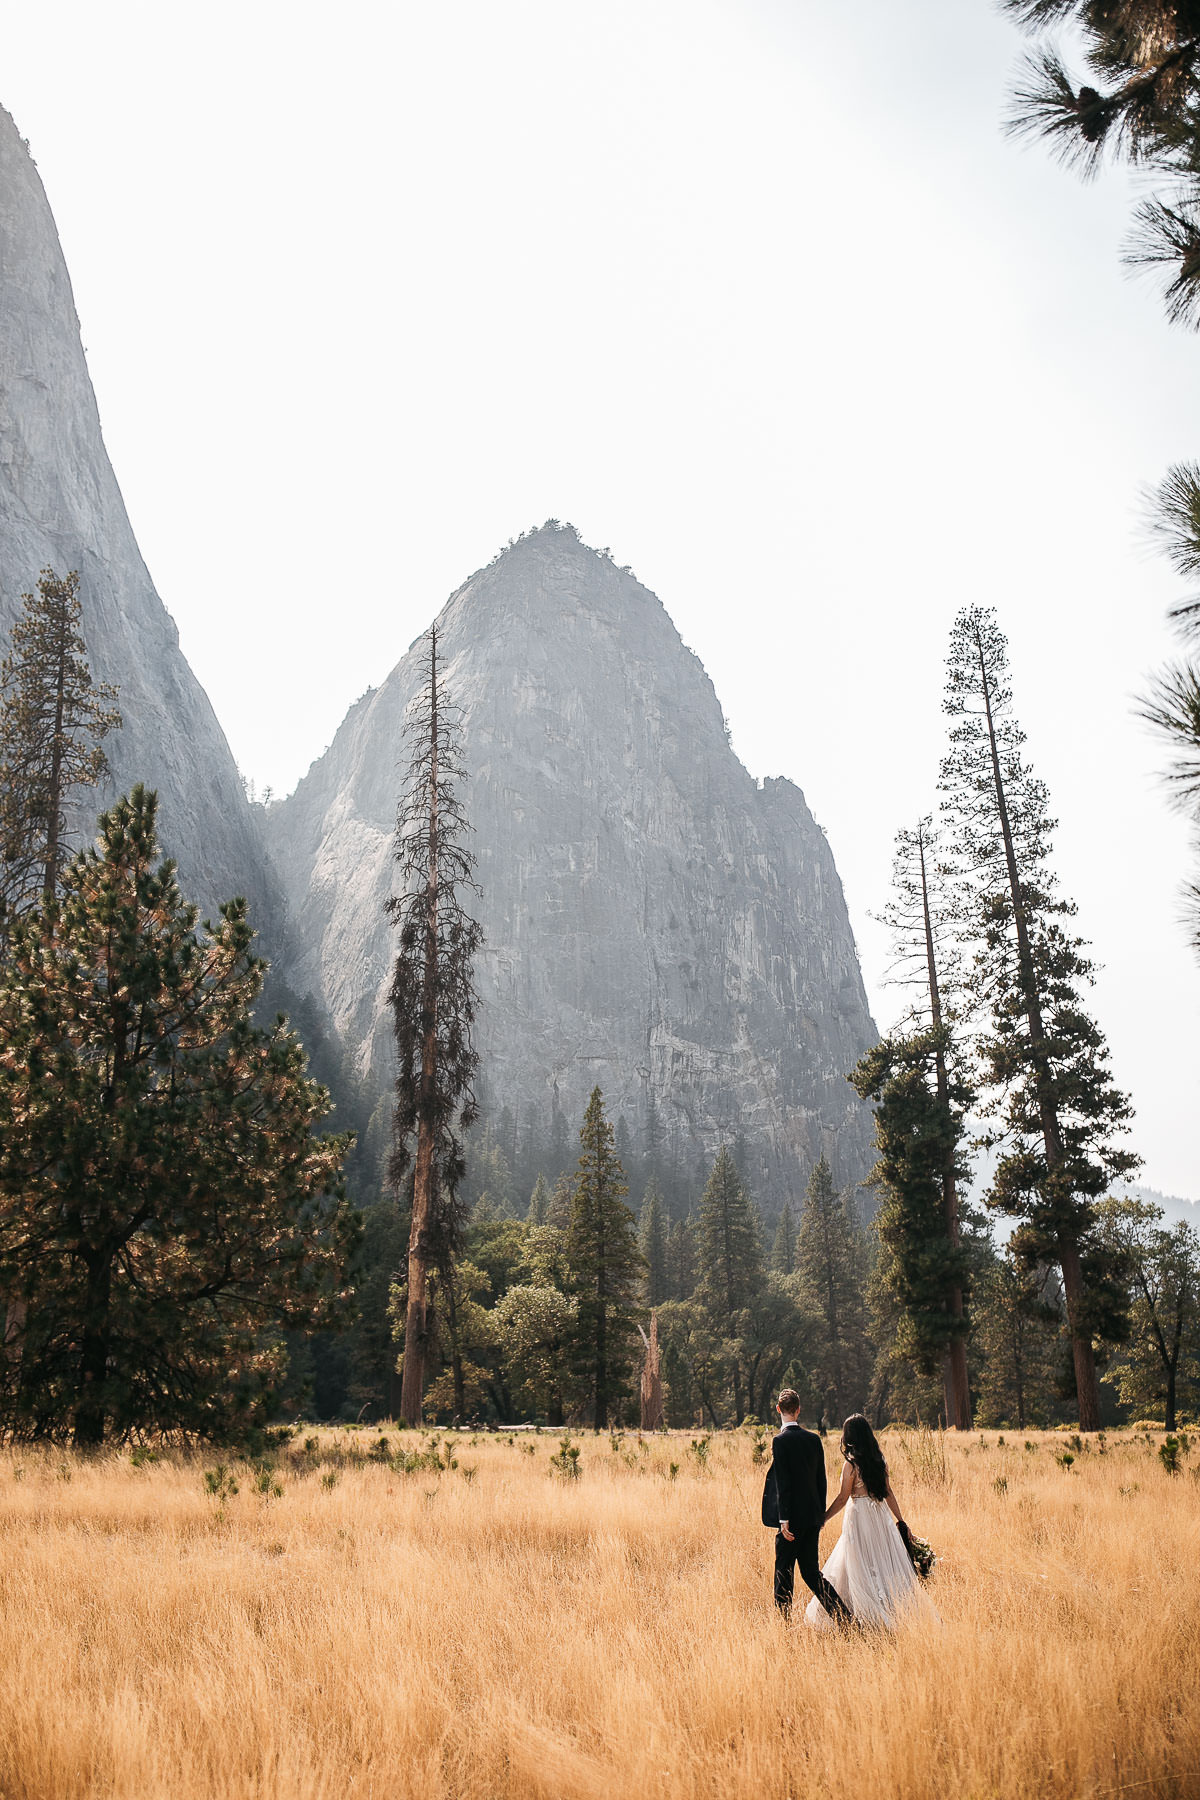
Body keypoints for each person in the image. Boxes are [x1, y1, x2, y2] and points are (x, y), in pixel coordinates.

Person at [803, 1413, 935, 1630]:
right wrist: (901, 1521)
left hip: (859, 1516)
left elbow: (843, 1498)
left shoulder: (851, 1465)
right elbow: (888, 1492)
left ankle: (861, 1613)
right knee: (881, 1562)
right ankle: (890, 1607)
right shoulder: (879, 1461)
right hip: (880, 1515)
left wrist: (823, 1517)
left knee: (857, 1562)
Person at [761, 1388, 852, 1623]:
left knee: (784, 1572)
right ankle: (844, 1619)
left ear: (779, 1409)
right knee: (812, 1574)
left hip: (790, 1522)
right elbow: (821, 1480)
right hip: (812, 1518)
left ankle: (784, 1624)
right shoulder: (814, 1440)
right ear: (798, 1410)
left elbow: (783, 1483)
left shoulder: (779, 1441)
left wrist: (784, 1520)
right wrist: (819, 1516)